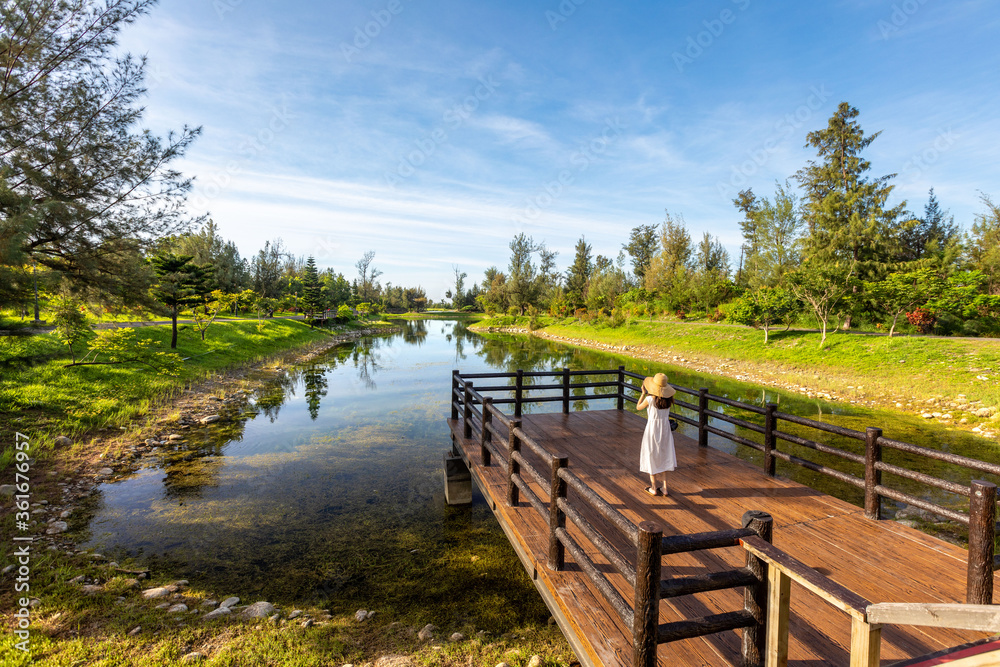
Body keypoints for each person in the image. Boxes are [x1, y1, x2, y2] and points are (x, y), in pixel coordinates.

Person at [637, 372, 677, 497]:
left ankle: (654, 488)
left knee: (651, 455)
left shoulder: (650, 399)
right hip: (665, 429)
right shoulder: (669, 400)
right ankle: (664, 488)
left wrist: (643, 393)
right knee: (664, 456)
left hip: (652, 429)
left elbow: (638, 407)